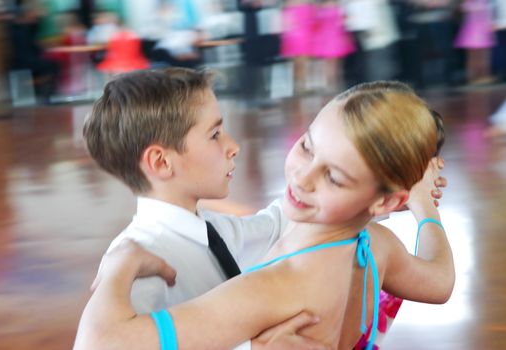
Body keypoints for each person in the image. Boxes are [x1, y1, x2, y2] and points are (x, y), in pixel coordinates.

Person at [74, 80, 455, 350]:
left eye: (334, 177)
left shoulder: (272, 288)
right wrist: (424, 207)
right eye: (306, 147)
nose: (302, 178)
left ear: (384, 202)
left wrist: (119, 268)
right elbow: (439, 281)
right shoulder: (378, 246)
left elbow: (99, 343)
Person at [81, 67, 333, 350]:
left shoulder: (214, 229)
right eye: (214, 135)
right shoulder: (140, 269)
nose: (233, 146)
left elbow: (277, 224)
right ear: (161, 162)